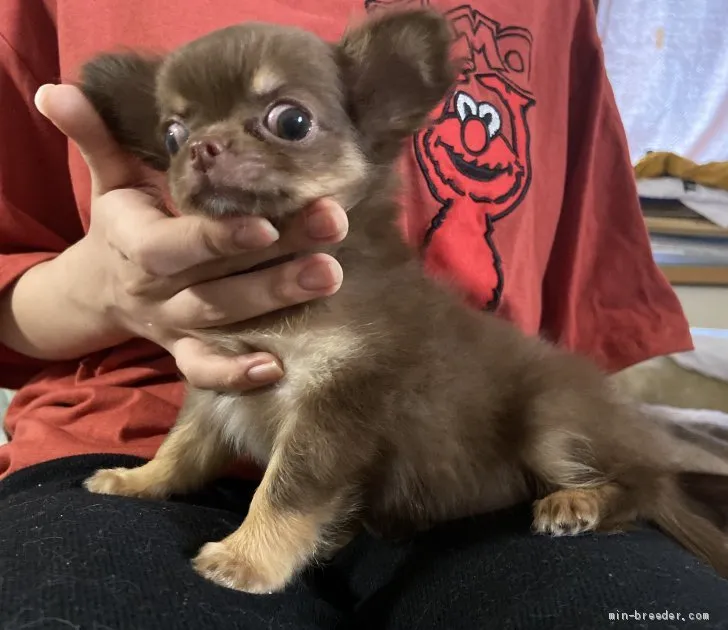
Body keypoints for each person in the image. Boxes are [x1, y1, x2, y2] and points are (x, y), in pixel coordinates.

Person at [1, 0, 725, 628]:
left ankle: (609, 489)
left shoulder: (555, 20)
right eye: (176, 134)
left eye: (285, 121)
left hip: (478, 496)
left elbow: (589, 329)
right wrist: (106, 294)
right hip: (106, 428)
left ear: (379, 117)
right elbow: (215, 387)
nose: (207, 147)